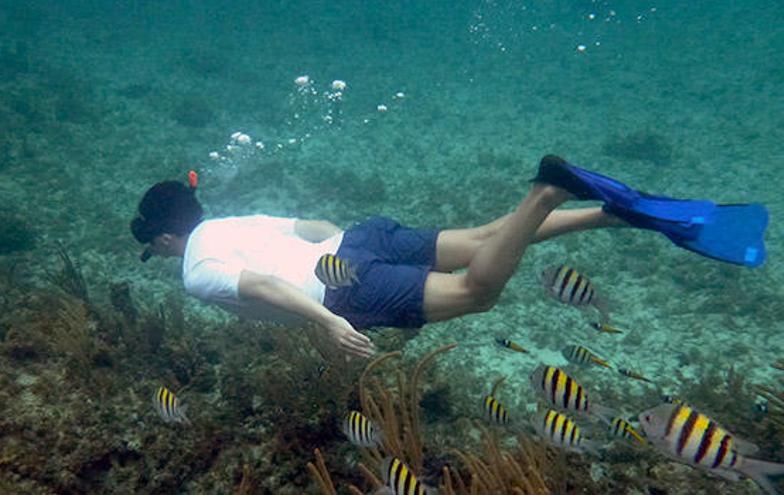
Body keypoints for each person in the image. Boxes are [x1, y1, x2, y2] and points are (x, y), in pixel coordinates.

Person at [130, 155, 768, 359]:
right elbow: (313, 224)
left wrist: (329, 322)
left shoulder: (193, 270)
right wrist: (353, 247)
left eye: (152, 250)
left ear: (164, 239)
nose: (159, 258)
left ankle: (548, 190)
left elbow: (263, 288)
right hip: (359, 241)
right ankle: (611, 212)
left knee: (474, 292)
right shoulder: (231, 218)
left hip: (342, 289)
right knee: (494, 234)